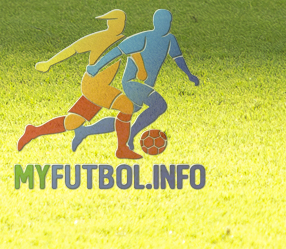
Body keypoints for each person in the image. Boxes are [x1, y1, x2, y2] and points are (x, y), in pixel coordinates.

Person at [17, 10, 139, 158]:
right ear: (108, 23)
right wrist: (48, 63)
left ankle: (34, 131)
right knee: (126, 106)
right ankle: (122, 149)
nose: (119, 25)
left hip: (98, 86)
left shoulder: (124, 40)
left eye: (121, 22)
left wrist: (142, 70)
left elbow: (135, 53)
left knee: (72, 122)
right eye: (114, 21)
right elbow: (73, 48)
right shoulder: (98, 38)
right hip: (95, 85)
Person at [77, 9, 199, 154]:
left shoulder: (170, 39)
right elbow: (117, 51)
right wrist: (96, 67)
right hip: (132, 82)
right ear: (155, 22)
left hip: (145, 85)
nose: (165, 25)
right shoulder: (144, 37)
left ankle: (84, 131)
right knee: (160, 105)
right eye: (162, 22)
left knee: (124, 117)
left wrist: (189, 75)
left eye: (168, 22)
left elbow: (178, 58)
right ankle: (131, 135)